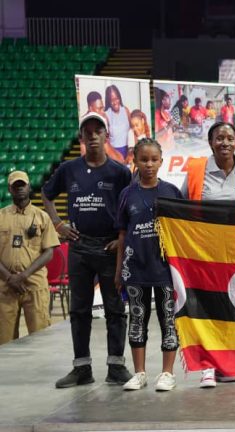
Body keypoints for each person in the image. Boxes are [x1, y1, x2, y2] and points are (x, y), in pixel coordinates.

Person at [43, 112, 133, 388]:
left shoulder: (120, 172)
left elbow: (132, 206)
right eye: (88, 131)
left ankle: (116, 367)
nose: (93, 135)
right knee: (79, 310)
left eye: (98, 131)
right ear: (81, 137)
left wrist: (123, 239)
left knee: (115, 309)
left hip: (109, 246)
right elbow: (46, 194)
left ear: (107, 136)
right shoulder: (69, 169)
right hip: (79, 246)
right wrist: (58, 224)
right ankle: (82, 368)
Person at [181, 122, 235, 387]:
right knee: (205, 308)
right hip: (205, 254)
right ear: (210, 142)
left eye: (229, 138)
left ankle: (226, 363)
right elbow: (180, 208)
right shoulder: (195, 170)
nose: (224, 142)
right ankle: (207, 366)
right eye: (219, 138)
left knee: (231, 309)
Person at [115, 139, 182, 392]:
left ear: (162, 161)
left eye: (154, 159)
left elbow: (182, 232)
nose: (149, 164)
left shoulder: (172, 192)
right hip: (136, 269)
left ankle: (167, 373)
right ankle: (140, 373)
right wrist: (120, 269)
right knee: (137, 319)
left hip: (165, 270)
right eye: (144, 159)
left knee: (168, 319)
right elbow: (122, 234)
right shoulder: (126, 195)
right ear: (135, 161)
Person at [0, 171, 59, 345]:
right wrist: (10, 278)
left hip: (34, 286)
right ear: (10, 189)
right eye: (15, 186)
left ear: (29, 187)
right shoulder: (1, 217)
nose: (20, 189)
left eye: (22, 185)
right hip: (5, 287)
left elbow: (49, 252)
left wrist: (23, 276)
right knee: (4, 342)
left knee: (40, 337)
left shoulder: (42, 217)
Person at [105, 85, 132, 160]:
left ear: (119, 98)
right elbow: (105, 140)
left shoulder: (125, 110)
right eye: (111, 100)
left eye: (116, 98)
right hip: (114, 153)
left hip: (128, 150)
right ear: (108, 101)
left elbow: (133, 131)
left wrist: (131, 152)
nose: (115, 102)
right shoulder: (106, 115)